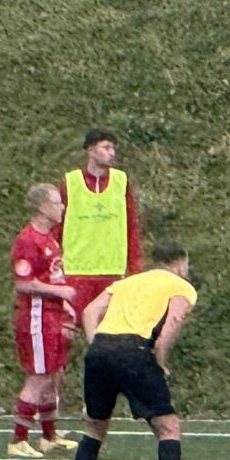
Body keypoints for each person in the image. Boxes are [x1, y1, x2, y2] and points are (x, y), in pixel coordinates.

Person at [71, 243, 196, 460]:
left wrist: (97, 345)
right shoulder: (180, 286)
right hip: (135, 351)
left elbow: (90, 311)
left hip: (101, 349)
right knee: (168, 427)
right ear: (180, 263)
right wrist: (160, 360)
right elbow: (173, 322)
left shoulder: (127, 282)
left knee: (94, 427)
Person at [9, 182, 78, 458]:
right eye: (57, 202)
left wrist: (65, 306)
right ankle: (18, 440)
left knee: (53, 375)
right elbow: (23, 283)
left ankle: (49, 436)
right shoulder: (28, 240)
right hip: (36, 318)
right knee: (39, 377)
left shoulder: (49, 237)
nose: (62, 207)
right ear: (42, 207)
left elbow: (52, 275)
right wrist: (60, 292)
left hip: (52, 315)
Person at [61, 127, 142, 329]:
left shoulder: (121, 182)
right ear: (91, 150)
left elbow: (131, 226)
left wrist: (134, 268)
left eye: (113, 148)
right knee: (69, 329)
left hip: (112, 270)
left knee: (110, 331)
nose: (112, 153)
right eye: (106, 148)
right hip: (77, 270)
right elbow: (57, 226)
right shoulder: (71, 182)